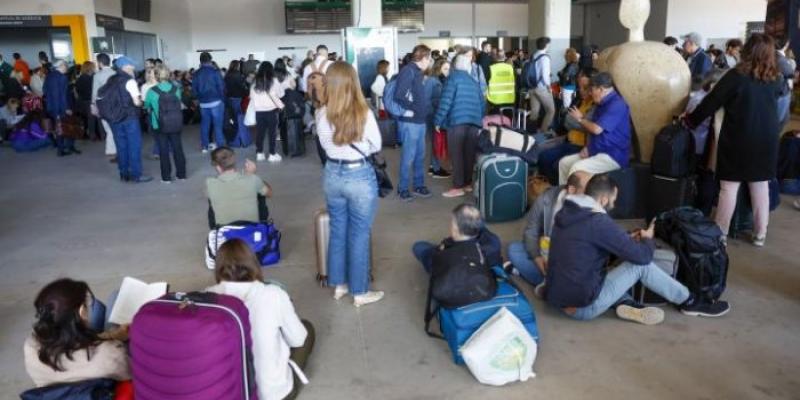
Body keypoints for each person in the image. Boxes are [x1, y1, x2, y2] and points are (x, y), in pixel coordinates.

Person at [545, 174, 730, 325]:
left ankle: (626, 303)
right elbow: (642, 258)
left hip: (558, 297)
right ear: (603, 199)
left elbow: (587, 243)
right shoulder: (598, 222)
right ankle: (690, 301)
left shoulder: (568, 212)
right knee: (639, 266)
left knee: (612, 264)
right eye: (613, 200)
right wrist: (648, 239)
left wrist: (625, 239)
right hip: (582, 307)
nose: (613, 205)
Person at [686, 33, 783, 247]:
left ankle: (720, 232)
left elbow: (711, 102)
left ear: (748, 50)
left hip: (739, 137)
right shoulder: (776, 77)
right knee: (760, 187)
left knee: (729, 187)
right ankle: (760, 234)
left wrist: (691, 121)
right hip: (767, 139)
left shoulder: (736, 76)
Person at [206, 239, 313, 400]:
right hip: (274, 395)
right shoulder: (274, 294)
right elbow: (298, 340)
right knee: (307, 329)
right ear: (252, 263)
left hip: (231, 393)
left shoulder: (207, 297)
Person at [317, 61, 383, 307]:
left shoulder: (321, 114)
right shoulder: (363, 113)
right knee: (359, 234)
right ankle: (360, 291)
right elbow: (376, 145)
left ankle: (340, 285)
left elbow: (325, 146)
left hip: (333, 174)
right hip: (359, 176)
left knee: (338, 231)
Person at [24, 279, 130, 387]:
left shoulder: (31, 346)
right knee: (115, 296)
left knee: (97, 307)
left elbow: (74, 346)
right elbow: (131, 376)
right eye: (86, 304)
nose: (88, 306)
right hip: (105, 385)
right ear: (81, 311)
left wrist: (111, 335)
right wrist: (116, 340)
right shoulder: (111, 354)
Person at [507, 173, 585, 289]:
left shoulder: (591, 207)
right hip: (547, 250)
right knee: (514, 249)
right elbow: (531, 231)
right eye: (587, 190)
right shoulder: (546, 198)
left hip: (570, 260)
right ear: (572, 189)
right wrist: (537, 258)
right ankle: (555, 286)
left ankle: (548, 284)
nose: (591, 194)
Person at [559, 72, 630, 185]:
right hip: (598, 150)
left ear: (601, 89)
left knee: (577, 168)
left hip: (613, 155)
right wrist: (589, 148)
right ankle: (564, 197)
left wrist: (580, 119)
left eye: (591, 90)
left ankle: (574, 201)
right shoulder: (601, 103)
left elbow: (596, 129)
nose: (590, 94)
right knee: (564, 163)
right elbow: (592, 133)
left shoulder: (617, 104)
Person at [434, 54, 484, 198]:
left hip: (457, 122)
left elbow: (445, 102)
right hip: (474, 123)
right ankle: (467, 184)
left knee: (456, 155)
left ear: (455, 66)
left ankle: (457, 187)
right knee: (469, 154)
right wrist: (478, 119)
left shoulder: (452, 79)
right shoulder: (473, 81)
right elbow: (482, 103)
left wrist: (438, 121)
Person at [538, 68, 595, 184]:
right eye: (579, 87)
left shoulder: (595, 105)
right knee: (542, 155)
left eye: (585, 88)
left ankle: (557, 188)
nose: (581, 91)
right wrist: (579, 121)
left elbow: (586, 126)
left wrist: (577, 121)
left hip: (579, 146)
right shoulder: (579, 100)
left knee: (555, 164)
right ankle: (548, 188)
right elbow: (566, 121)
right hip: (568, 140)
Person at [412, 203, 503, 274]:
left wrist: (440, 249)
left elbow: (436, 263)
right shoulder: (494, 240)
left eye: (452, 223)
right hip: (485, 278)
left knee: (419, 247)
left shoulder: (449, 252)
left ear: (455, 230)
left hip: (455, 278)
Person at [394, 45, 434, 202]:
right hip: (410, 122)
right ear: (423, 58)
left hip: (420, 121)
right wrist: (411, 110)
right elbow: (399, 96)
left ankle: (418, 185)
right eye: (429, 58)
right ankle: (402, 188)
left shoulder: (417, 72)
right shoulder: (408, 71)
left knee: (419, 155)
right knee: (408, 156)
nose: (430, 61)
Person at [109, 56, 153, 183]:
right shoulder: (130, 81)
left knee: (121, 146)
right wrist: (141, 103)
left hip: (115, 118)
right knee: (134, 146)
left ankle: (123, 173)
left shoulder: (111, 79)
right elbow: (136, 102)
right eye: (131, 65)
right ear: (125, 67)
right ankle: (136, 175)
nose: (133, 68)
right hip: (129, 118)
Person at [207, 147, 272, 226]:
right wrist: (252, 175)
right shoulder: (252, 179)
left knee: (212, 200)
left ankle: (215, 228)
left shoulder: (209, 183)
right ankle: (262, 224)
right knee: (260, 193)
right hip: (250, 230)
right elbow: (269, 193)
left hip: (224, 232)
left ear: (217, 167)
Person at [144, 65, 187, 183]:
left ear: (157, 75)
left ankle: (166, 178)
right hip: (175, 122)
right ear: (168, 75)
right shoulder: (175, 89)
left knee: (163, 150)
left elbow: (146, 106)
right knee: (178, 148)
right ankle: (181, 175)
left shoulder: (152, 91)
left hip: (159, 124)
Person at [44, 60, 80, 157]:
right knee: (69, 126)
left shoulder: (49, 76)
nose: (67, 67)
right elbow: (62, 95)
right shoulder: (62, 77)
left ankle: (61, 149)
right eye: (66, 65)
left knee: (59, 128)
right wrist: (66, 108)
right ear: (61, 66)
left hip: (52, 107)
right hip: (62, 107)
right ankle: (69, 146)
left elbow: (45, 91)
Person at [251, 62, 285, 162]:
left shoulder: (255, 81)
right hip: (271, 111)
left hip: (259, 111)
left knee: (260, 133)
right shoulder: (274, 80)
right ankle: (272, 154)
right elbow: (281, 94)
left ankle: (259, 153)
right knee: (272, 133)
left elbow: (251, 96)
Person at [193, 52, 227, 153]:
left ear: (200, 61)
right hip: (216, 101)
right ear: (210, 60)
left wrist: (199, 99)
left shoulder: (196, 73)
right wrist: (223, 100)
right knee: (217, 126)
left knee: (205, 125)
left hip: (203, 103)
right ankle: (220, 147)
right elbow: (221, 87)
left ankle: (204, 146)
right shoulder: (215, 72)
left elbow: (194, 90)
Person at [425, 58, 451, 179]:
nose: (447, 71)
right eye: (445, 68)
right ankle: (435, 169)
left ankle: (433, 166)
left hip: (435, 114)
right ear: (438, 68)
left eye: (449, 69)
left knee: (435, 141)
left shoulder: (441, 80)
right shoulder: (432, 81)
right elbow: (426, 99)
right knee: (436, 141)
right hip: (432, 115)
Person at [92, 53, 117, 161]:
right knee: (115, 127)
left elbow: (95, 93)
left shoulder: (97, 75)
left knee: (108, 127)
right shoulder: (116, 73)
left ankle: (111, 149)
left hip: (103, 105)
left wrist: (93, 105)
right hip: (116, 104)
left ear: (100, 63)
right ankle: (113, 148)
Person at [527, 37, 555, 133]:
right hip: (541, 88)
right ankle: (544, 131)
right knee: (551, 110)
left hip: (531, 87)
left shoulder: (533, 56)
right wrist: (549, 86)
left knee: (534, 112)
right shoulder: (545, 57)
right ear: (546, 45)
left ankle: (530, 133)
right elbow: (545, 75)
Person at [225, 60, 250, 145]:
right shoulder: (238, 75)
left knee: (232, 117)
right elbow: (242, 87)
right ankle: (238, 138)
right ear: (237, 66)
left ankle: (233, 136)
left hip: (229, 98)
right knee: (238, 118)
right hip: (237, 98)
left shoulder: (227, 75)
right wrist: (247, 92)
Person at [75, 61, 98, 140]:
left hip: (82, 102)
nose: (95, 68)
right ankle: (93, 135)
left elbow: (77, 90)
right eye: (93, 67)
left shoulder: (80, 78)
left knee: (86, 119)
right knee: (92, 119)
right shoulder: (92, 78)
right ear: (90, 68)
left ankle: (86, 134)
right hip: (90, 101)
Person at [775, 39, 795, 131]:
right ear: (786, 44)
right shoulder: (780, 57)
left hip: (783, 91)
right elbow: (790, 73)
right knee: (779, 120)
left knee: (785, 118)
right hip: (782, 93)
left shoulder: (778, 56)